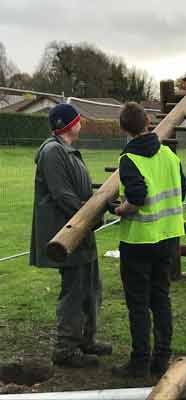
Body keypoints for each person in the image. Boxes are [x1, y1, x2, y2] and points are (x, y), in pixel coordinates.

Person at [30, 103, 112, 368]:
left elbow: (80, 189)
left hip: (81, 230)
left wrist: (102, 202)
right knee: (75, 291)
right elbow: (62, 194)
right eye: (77, 120)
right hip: (68, 234)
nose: (81, 123)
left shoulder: (68, 151)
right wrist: (87, 217)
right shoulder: (53, 152)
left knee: (91, 286)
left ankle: (86, 340)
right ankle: (65, 348)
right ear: (67, 124)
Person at [110, 102, 186, 378]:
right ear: (148, 123)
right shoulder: (169, 155)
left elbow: (137, 197)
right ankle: (161, 358)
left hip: (139, 241)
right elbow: (182, 188)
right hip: (167, 237)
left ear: (123, 129)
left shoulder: (129, 159)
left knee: (139, 303)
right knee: (161, 298)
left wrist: (120, 209)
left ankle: (139, 362)